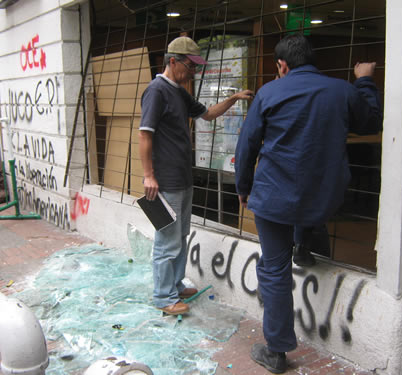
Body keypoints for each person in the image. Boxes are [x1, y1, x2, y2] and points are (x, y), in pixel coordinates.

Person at [234, 34, 382, 373]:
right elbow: (371, 121)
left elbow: (247, 146)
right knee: (307, 200)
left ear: (282, 66)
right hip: (323, 197)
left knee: (274, 269)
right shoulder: (342, 91)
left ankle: (277, 351)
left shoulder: (269, 92)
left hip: (274, 197)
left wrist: (244, 187)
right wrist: (364, 82)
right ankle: (303, 244)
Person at [139, 36, 253, 316]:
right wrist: (148, 175)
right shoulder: (157, 91)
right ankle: (164, 297)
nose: (194, 72)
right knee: (167, 240)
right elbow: (145, 134)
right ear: (173, 61)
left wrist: (234, 97)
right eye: (191, 66)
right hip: (165, 180)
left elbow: (208, 114)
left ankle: (175, 285)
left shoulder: (179, 91)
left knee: (180, 236)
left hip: (183, 177)